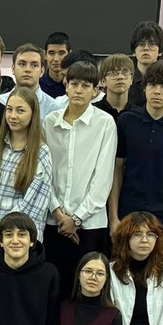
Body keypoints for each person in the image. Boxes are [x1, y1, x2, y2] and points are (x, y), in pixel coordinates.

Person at [109, 60, 163, 261]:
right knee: (121, 273)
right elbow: (116, 170)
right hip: (127, 213)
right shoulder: (127, 121)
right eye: (152, 84)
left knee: (160, 275)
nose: (157, 91)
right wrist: (113, 217)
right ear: (144, 87)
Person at [43, 60, 118, 288]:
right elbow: (44, 172)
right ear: (66, 85)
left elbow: (103, 178)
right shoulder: (50, 122)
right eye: (74, 84)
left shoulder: (105, 123)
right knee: (55, 286)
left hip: (89, 224)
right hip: (53, 221)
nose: (78, 90)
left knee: (86, 287)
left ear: (95, 91)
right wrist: (58, 213)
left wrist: (76, 219)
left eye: (86, 86)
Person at [0, 86, 52, 249]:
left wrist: (0, 237)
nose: (13, 116)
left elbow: (32, 205)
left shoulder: (41, 152)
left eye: (20, 111)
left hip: (17, 242)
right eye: (9, 109)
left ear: (33, 114)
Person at [0, 44, 58, 119]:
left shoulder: (55, 109)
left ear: (42, 71)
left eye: (34, 65)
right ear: (13, 68)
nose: (28, 69)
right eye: (22, 64)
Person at [127, 20, 163, 107]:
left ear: (160, 51)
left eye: (152, 44)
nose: (146, 48)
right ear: (134, 51)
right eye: (141, 44)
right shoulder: (125, 78)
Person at [94, 54, 135, 121]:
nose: (120, 77)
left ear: (131, 80)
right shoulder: (93, 112)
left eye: (125, 72)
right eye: (113, 73)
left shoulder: (138, 114)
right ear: (103, 81)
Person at [40, 31, 70, 98]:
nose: (56, 59)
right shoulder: (37, 85)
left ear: (69, 54)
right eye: (51, 53)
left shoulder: (75, 86)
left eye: (61, 53)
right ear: (45, 55)